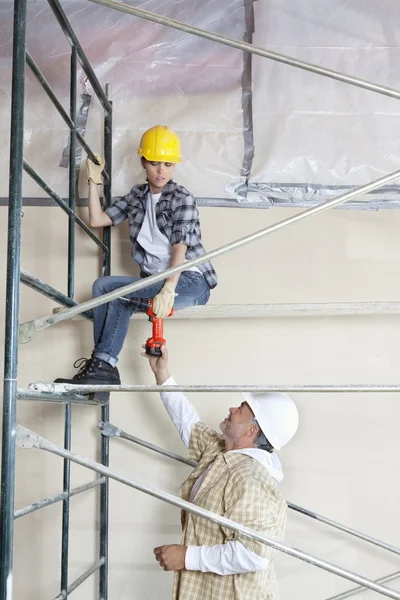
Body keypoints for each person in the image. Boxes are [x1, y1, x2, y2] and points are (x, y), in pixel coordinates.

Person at [55, 125, 217, 385]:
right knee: (107, 290)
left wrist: (168, 289)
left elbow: (180, 246)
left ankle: (102, 367)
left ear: (174, 165)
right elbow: (97, 219)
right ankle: (103, 371)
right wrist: (93, 181)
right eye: (154, 163)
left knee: (107, 288)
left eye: (167, 164)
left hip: (189, 282)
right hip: (155, 284)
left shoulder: (181, 197)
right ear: (143, 162)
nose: (161, 170)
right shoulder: (136, 197)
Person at [144, 345, 299, 600]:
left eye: (240, 410)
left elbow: (254, 554)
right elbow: (188, 423)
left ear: (252, 431)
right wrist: (163, 374)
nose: (231, 410)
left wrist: (187, 556)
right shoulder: (222, 453)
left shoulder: (249, 477)